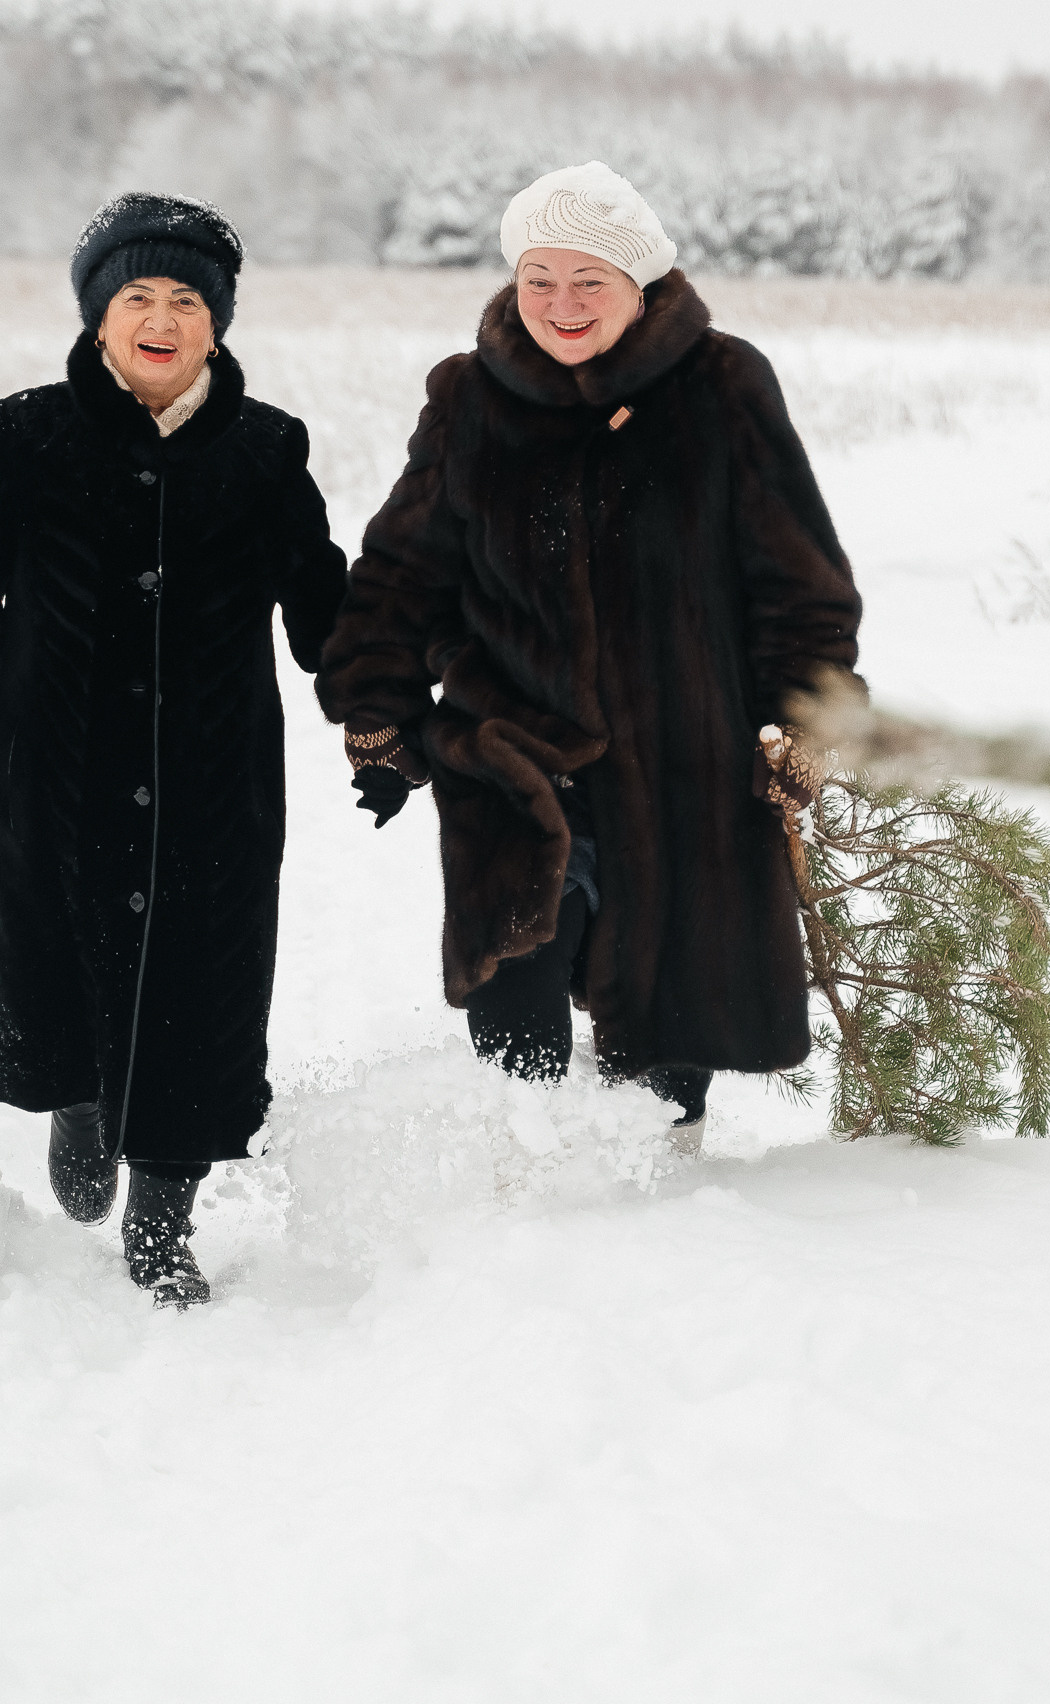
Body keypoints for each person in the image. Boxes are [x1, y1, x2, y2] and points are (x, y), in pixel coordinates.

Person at [317, 161, 863, 1140]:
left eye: (589, 281)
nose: (560, 304)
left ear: (640, 284)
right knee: (514, 1009)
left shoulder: (724, 387)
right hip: (516, 746)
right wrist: (376, 712)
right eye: (539, 279)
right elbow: (400, 569)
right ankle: (523, 1191)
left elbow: (798, 576)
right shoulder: (470, 397)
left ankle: (661, 1195)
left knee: (667, 1036)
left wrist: (801, 716)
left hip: (685, 757)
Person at [0, 192, 346, 1307]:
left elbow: (326, 606)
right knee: (54, 955)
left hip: (215, 776)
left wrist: (385, 720)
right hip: (56, 768)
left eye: (187, 299)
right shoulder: (25, 433)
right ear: (99, 315)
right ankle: (78, 1098)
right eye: (136, 295)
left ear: (217, 324)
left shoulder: (266, 447)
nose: (160, 316)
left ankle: (163, 1219)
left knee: (205, 984)